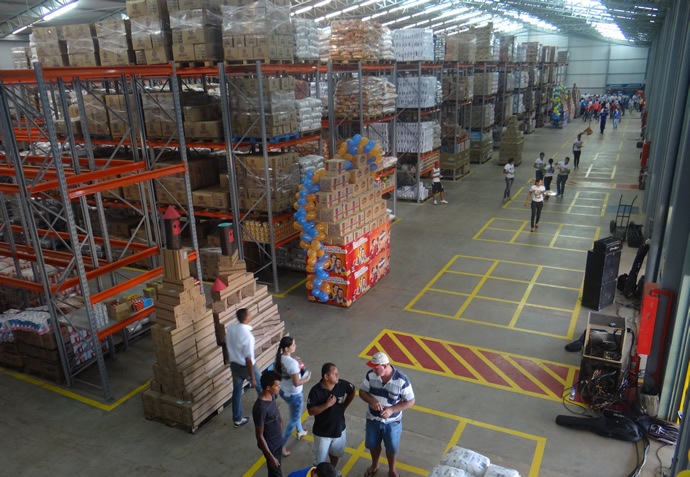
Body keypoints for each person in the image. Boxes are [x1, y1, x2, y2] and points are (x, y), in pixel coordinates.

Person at [360, 352, 415, 477]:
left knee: (392, 448)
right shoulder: (371, 375)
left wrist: (392, 410)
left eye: (376, 368)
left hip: (392, 422)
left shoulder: (402, 380)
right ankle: (375, 465)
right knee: (373, 444)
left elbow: (410, 401)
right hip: (372, 419)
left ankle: (392, 470)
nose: (373, 370)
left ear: (385, 366)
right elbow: (362, 392)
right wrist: (372, 401)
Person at [307, 363, 356, 468]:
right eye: (334, 374)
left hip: (339, 429)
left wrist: (344, 406)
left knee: (335, 454)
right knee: (319, 462)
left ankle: (332, 469)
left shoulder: (342, 385)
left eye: (337, 373)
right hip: (322, 433)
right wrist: (327, 405)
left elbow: (352, 391)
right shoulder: (315, 391)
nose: (338, 376)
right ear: (326, 376)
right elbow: (311, 411)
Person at [275, 337, 312, 456]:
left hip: (283, 391)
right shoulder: (292, 364)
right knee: (293, 419)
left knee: (295, 414)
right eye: (293, 345)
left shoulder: (279, 358)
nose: (295, 346)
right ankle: (281, 445)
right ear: (286, 348)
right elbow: (297, 382)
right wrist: (307, 379)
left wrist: (294, 363)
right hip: (294, 395)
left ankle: (300, 430)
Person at [228, 308, 262, 428]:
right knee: (261, 388)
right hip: (246, 367)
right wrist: (252, 378)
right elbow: (248, 359)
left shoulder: (231, 328)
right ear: (246, 318)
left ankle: (237, 419)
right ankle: (267, 412)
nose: (251, 315)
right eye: (249, 313)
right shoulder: (248, 336)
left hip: (234, 364)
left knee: (237, 391)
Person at [253, 371, 284, 477]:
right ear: (268, 388)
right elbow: (259, 436)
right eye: (277, 386)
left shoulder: (273, 395)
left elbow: (277, 413)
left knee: (274, 472)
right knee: (276, 473)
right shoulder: (260, 408)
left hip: (278, 441)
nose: (279, 387)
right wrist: (271, 458)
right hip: (271, 447)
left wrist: (280, 426)